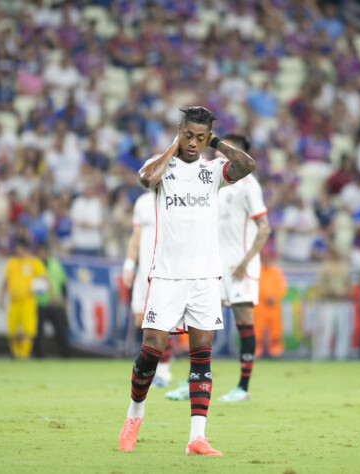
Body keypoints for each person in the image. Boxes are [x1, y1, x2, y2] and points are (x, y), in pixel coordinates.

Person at [117, 106, 256, 456]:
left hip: (205, 278)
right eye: (188, 135)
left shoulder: (213, 172)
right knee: (151, 349)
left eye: (200, 138)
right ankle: (134, 415)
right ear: (180, 131)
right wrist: (173, 145)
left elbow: (247, 166)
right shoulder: (163, 166)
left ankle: (197, 437)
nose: (193, 144)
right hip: (166, 275)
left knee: (201, 357)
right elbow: (146, 179)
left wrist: (218, 144)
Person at [215, 134, 270, 401]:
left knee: (243, 321)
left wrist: (245, 262)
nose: (217, 152)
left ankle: (243, 388)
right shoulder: (217, 182)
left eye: (224, 149)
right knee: (201, 320)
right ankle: (194, 379)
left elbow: (264, 227)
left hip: (240, 266)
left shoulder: (248, 185)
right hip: (217, 265)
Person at [122, 191, 174, 386]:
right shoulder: (142, 202)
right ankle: (146, 367)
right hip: (144, 272)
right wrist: (129, 265)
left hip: (165, 272)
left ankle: (163, 372)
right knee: (140, 320)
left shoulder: (175, 196)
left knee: (166, 322)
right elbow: (135, 237)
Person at [0, 238, 47, 359]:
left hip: (28, 301)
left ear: (25, 249)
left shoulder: (33, 262)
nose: (18, 251)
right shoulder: (12, 262)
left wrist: (46, 292)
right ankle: (15, 354)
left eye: (20, 249)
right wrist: (1, 297)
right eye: (17, 249)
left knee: (28, 330)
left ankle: (24, 355)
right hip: (13, 302)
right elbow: (6, 280)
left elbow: (44, 278)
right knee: (12, 331)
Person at [32, 245, 71, 358]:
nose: (42, 254)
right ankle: (38, 356)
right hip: (40, 302)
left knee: (61, 331)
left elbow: (63, 282)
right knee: (38, 332)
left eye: (43, 251)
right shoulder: (34, 265)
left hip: (55, 302)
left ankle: (65, 355)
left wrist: (64, 299)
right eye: (40, 252)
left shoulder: (55, 265)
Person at [315, 246, 352, 360]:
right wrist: (331, 291)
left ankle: (341, 354)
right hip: (329, 303)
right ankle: (323, 354)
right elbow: (319, 287)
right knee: (325, 330)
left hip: (342, 303)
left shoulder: (344, 267)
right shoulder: (325, 267)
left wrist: (345, 291)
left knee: (342, 331)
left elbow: (349, 285)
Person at [254, 244, 287, 358]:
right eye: (265, 256)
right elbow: (255, 287)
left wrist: (274, 297)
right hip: (260, 306)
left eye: (269, 256)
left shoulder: (276, 271)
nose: (267, 259)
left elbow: (282, 288)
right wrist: (265, 296)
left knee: (275, 330)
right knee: (257, 330)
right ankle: (256, 352)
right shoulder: (257, 271)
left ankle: (275, 352)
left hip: (273, 306)